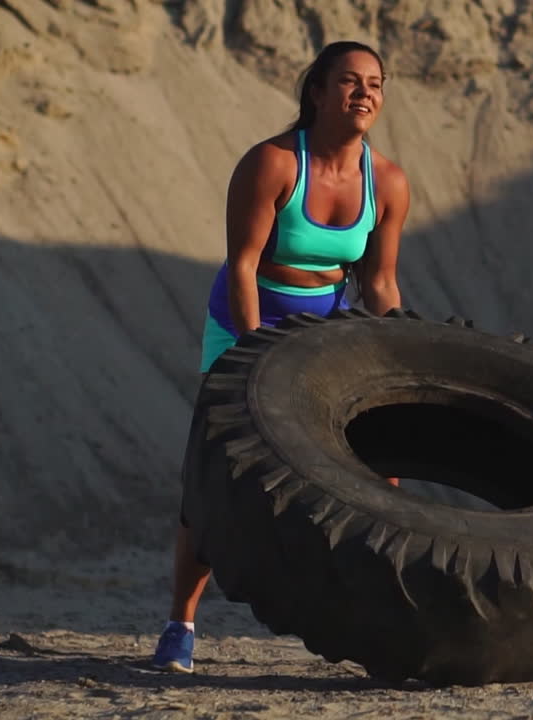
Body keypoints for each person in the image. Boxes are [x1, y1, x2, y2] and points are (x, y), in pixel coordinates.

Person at [149, 40, 411, 674]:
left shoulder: (389, 182)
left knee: (387, 470)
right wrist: (252, 350)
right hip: (245, 319)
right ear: (316, 91)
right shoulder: (271, 164)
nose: (365, 93)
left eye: (375, 83)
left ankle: (375, 616)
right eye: (349, 81)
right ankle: (180, 623)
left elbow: (377, 283)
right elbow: (242, 266)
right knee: (212, 481)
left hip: (324, 324)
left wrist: (401, 355)